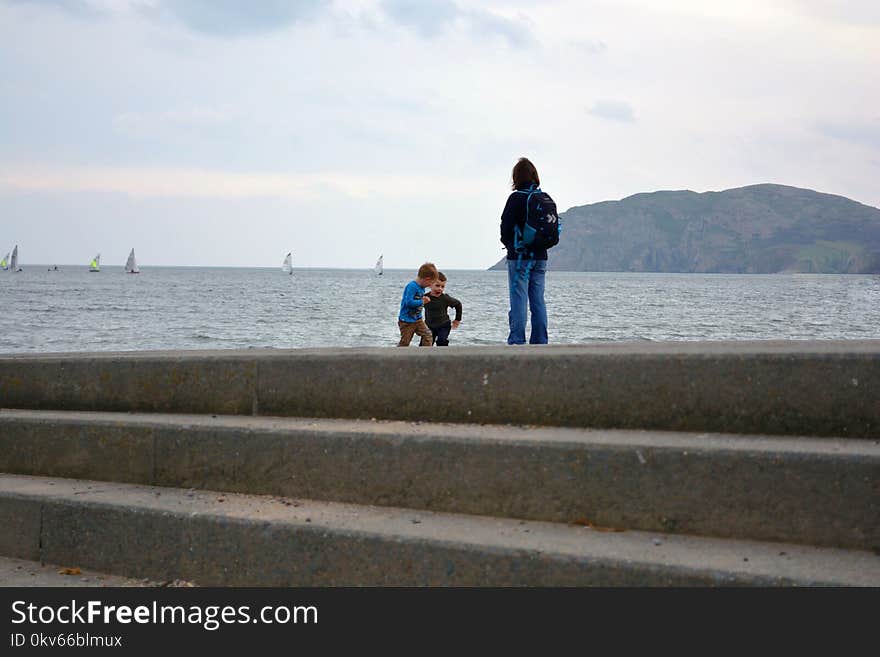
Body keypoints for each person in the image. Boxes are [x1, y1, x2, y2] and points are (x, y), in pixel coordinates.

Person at [499, 157, 553, 345]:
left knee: (519, 301)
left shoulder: (516, 198)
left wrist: (509, 245)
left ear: (516, 177)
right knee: (538, 301)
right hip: (541, 257)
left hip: (520, 258)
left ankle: (517, 341)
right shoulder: (543, 197)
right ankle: (540, 341)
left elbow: (505, 227)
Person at [398, 262, 438, 347]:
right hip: (406, 321)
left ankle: (425, 355)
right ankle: (396, 357)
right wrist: (422, 301)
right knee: (405, 342)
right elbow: (408, 303)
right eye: (430, 283)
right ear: (427, 279)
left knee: (428, 335)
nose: (430, 286)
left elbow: (418, 303)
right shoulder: (412, 286)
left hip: (418, 319)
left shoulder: (422, 288)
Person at [424, 272, 462, 346]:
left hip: (444, 325)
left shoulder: (445, 298)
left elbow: (458, 304)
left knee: (441, 341)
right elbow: (415, 307)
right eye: (437, 286)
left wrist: (457, 320)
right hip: (429, 326)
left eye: (442, 286)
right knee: (425, 344)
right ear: (430, 285)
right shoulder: (425, 297)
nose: (440, 289)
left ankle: (443, 356)